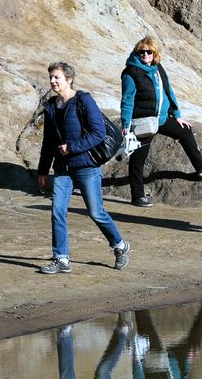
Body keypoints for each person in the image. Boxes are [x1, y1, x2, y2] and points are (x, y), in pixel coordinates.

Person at [37, 62, 132, 274]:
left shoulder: (84, 100)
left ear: (69, 79)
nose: (52, 81)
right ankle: (61, 259)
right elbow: (48, 142)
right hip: (62, 169)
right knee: (57, 212)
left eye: (56, 77)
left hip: (87, 167)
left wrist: (71, 147)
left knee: (96, 212)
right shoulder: (51, 106)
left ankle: (120, 246)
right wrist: (42, 171)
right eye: (51, 77)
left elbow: (98, 133)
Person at [120, 35, 202, 206]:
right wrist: (125, 125)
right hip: (144, 121)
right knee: (138, 160)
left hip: (162, 119)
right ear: (137, 52)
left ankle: (201, 166)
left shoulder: (157, 68)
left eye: (149, 52)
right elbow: (127, 100)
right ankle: (137, 196)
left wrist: (177, 114)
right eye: (142, 51)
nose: (145, 54)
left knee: (185, 131)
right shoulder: (130, 72)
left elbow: (168, 91)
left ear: (154, 54)